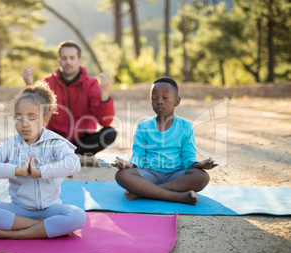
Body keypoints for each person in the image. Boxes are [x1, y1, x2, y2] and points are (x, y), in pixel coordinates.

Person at [0, 81, 86, 240]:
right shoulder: (10, 144)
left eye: (32, 118)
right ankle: (42, 227)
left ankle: (18, 233)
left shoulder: (55, 142)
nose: (24, 124)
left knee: (78, 216)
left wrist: (40, 172)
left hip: (50, 209)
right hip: (19, 209)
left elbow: (74, 164)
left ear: (45, 119)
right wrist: (17, 171)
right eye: (19, 118)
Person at [113, 77, 217, 205]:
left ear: (176, 101)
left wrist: (199, 165)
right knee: (122, 175)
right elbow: (138, 156)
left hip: (175, 176)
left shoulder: (186, 127)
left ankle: (145, 192)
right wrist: (128, 165)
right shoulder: (143, 127)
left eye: (165, 97)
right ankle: (177, 197)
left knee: (202, 177)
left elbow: (188, 157)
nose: (159, 102)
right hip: (149, 175)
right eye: (155, 98)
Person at [22, 40, 117, 166]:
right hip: (56, 141)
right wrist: (29, 86)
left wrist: (105, 93)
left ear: (80, 60)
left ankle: (68, 157)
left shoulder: (91, 84)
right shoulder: (48, 83)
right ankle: (77, 158)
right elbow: (34, 113)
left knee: (109, 132)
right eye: (64, 58)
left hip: (83, 142)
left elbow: (105, 121)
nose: (68, 62)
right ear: (59, 61)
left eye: (72, 58)